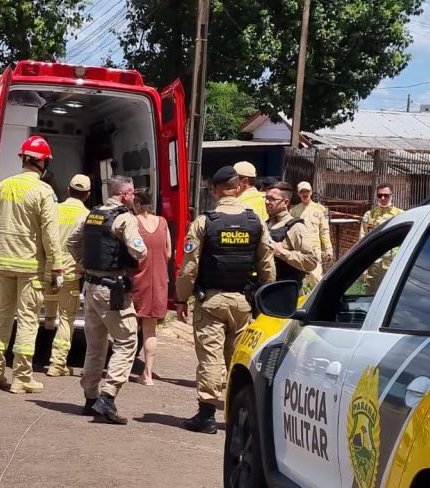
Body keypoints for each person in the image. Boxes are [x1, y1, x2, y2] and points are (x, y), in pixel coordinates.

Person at [175, 166, 276, 434]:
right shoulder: (256, 221)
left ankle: (207, 415)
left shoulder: (204, 222)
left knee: (210, 357)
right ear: (239, 187)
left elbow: (189, 267)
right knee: (237, 358)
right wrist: (267, 297)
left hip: (210, 301)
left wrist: (180, 298)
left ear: (216, 189)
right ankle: (236, 414)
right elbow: (267, 263)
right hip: (243, 302)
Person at [0, 135, 64, 394]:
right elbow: (50, 235)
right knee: (28, 321)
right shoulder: (43, 191)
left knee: (2, 318)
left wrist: (1, 250)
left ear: (23, 158)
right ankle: (21, 379)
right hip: (31, 268)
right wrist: (56, 267)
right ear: (43, 162)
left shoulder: (4, 187)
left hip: (5, 264)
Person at [67, 175, 147, 424]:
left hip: (90, 286)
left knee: (95, 345)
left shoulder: (91, 214)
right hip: (113, 289)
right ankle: (108, 397)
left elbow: (71, 242)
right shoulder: (124, 218)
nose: (134, 198)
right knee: (127, 342)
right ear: (125, 194)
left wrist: (85, 264)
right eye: (133, 194)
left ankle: (90, 398)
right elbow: (140, 251)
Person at [44, 174, 92, 377]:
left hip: (49, 269)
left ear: (68, 189)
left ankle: (44, 329)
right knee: (66, 317)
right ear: (88, 195)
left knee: (36, 312)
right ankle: (57, 364)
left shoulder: (54, 209)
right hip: (70, 273)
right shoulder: (88, 216)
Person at [130, 187, 171, 386]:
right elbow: (169, 253)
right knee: (150, 330)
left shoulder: (133, 222)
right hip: (159, 281)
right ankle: (147, 374)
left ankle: (122, 369)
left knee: (128, 329)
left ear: (136, 204)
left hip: (138, 280)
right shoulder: (162, 222)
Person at [264, 183, 319, 288]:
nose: (267, 202)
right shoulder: (266, 224)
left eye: (272, 199)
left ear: (286, 202)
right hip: (266, 289)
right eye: (266, 198)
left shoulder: (296, 227)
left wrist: (282, 253)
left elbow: (311, 261)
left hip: (287, 291)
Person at [289, 181, 334, 282]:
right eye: (302, 192)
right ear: (299, 194)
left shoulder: (319, 209)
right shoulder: (294, 211)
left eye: (307, 191)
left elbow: (324, 231)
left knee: (316, 279)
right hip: (299, 251)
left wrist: (328, 249)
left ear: (311, 192)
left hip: (314, 250)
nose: (305, 194)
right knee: (299, 280)